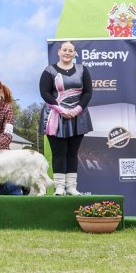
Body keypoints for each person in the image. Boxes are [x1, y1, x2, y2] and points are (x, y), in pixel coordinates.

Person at [38, 40, 92, 195]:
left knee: (72, 153)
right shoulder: (49, 71)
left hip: (78, 117)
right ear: (59, 52)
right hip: (55, 116)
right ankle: (59, 187)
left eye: (70, 50)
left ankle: (71, 187)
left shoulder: (82, 70)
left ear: (74, 53)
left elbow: (88, 92)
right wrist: (60, 109)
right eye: (65, 50)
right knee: (59, 152)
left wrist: (77, 109)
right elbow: (45, 92)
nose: (67, 53)